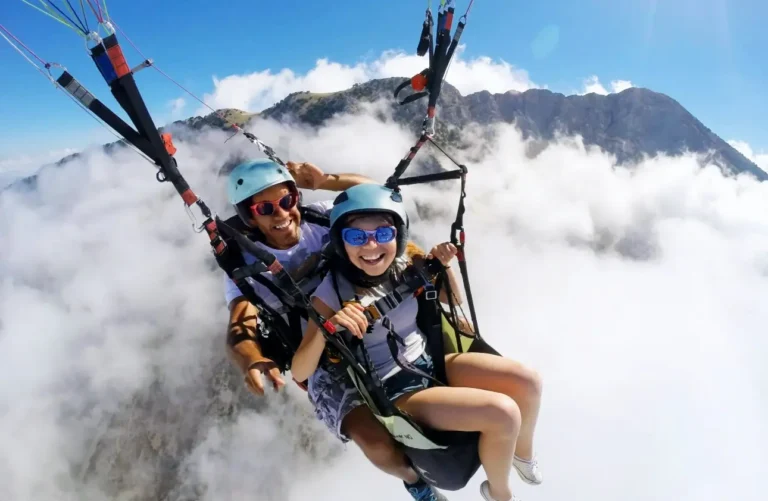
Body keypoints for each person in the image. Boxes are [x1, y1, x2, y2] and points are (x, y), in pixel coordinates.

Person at [291, 183, 544, 501]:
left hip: (433, 361)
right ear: (341, 243)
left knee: (528, 382)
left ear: (398, 235)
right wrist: (327, 326)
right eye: (356, 237)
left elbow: (453, 300)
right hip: (397, 390)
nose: (371, 246)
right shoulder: (331, 294)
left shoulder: (406, 265)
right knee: (504, 413)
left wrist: (441, 265)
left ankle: (522, 456)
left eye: (382, 234)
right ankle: (500, 493)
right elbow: (300, 371)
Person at [222, 158, 448, 501]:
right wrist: (252, 360)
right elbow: (241, 322)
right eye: (265, 208)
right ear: (249, 217)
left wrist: (326, 181)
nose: (282, 214)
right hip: (319, 355)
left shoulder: (321, 216)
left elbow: (377, 197)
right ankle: (415, 482)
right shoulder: (247, 266)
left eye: (286, 201)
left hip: (373, 320)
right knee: (374, 442)